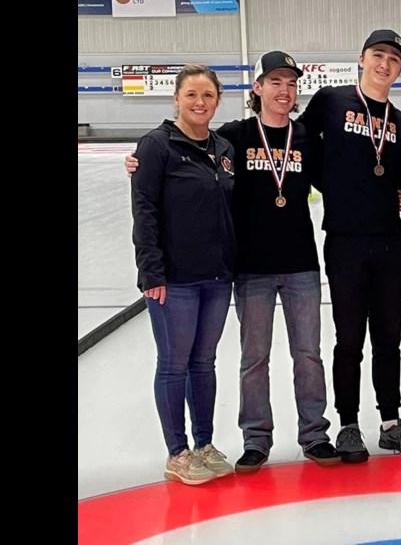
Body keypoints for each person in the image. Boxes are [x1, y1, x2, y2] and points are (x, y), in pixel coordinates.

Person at [127, 51, 338, 474]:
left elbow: (339, 180)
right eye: (274, 82)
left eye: (290, 83)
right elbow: (179, 165)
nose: (283, 90)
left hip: (301, 264)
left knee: (308, 355)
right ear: (256, 88)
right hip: (249, 267)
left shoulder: (305, 140)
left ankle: (314, 433)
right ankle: (255, 439)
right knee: (253, 357)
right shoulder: (233, 137)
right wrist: (137, 163)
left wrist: (393, 191)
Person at [298, 29, 401, 462]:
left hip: (390, 242)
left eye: (393, 59)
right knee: (349, 338)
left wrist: (400, 191)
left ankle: (390, 422)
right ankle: (349, 424)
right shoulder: (331, 102)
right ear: (362, 58)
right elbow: (294, 144)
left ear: (400, 68)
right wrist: (331, 187)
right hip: (346, 241)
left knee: (389, 338)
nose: (384, 64)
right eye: (378, 55)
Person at [131, 64, 236, 485]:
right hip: (172, 279)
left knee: (204, 363)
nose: (199, 103)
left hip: (217, 277)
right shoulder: (156, 145)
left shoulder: (224, 148)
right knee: (174, 365)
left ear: (217, 100)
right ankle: (177, 453)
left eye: (207, 96)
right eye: (191, 94)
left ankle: (204, 443)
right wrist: (150, 272)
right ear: (176, 98)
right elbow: (145, 212)